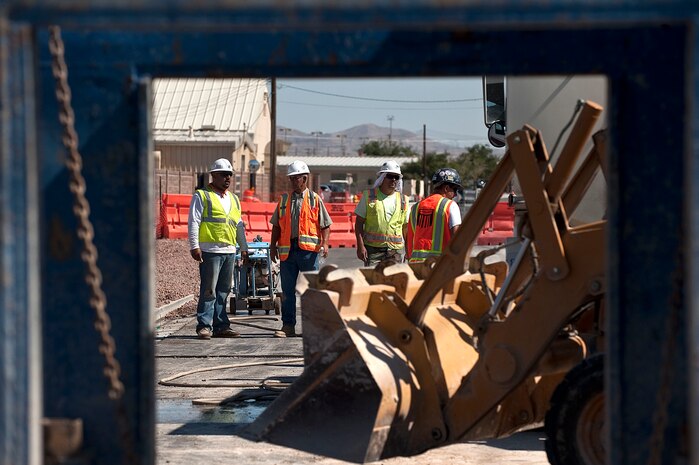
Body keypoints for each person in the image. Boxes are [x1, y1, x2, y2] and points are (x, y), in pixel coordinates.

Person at [270, 160, 332, 338]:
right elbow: (276, 226)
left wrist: (325, 243)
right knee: (287, 291)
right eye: (291, 178)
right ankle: (288, 326)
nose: (293, 181)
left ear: (305, 178)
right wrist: (272, 246)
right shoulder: (284, 200)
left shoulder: (315, 199)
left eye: (296, 178)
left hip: (308, 252)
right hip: (287, 251)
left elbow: (325, 225)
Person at [188, 158, 249, 339]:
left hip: (229, 250)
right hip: (210, 250)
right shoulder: (202, 195)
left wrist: (243, 247)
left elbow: (238, 225)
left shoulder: (234, 199)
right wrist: (194, 246)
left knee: (224, 290)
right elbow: (194, 221)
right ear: (213, 175)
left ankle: (222, 325)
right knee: (209, 290)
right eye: (223, 174)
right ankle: (204, 326)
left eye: (229, 174)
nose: (227, 178)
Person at [355, 161, 410, 266]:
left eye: (396, 177)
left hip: (396, 251)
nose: (393, 179)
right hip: (373, 250)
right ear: (382, 177)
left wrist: (408, 250)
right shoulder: (369, 196)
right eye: (390, 176)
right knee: (373, 280)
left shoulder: (404, 200)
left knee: (394, 281)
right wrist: (360, 246)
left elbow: (405, 228)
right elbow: (358, 224)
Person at [406, 167, 463, 263]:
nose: (455, 195)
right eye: (455, 189)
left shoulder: (416, 207)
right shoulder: (450, 205)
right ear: (446, 188)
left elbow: (409, 236)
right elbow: (457, 238)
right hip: (440, 266)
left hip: (416, 265)